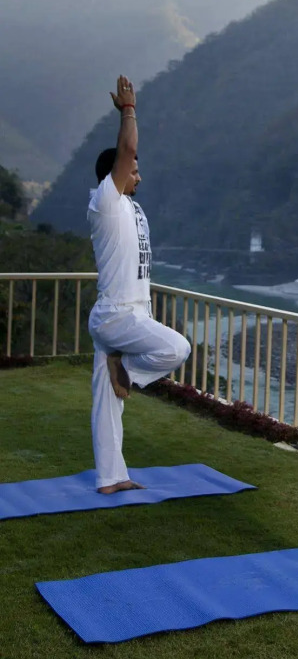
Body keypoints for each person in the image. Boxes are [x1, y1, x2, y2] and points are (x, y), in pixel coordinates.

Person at [87, 75, 191, 493]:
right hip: (117, 315)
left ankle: (111, 477)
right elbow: (127, 149)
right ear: (114, 174)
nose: (139, 175)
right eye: (133, 170)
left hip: (127, 314)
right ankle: (125, 369)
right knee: (177, 347)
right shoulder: (106, 202)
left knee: (106, 402)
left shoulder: (130, 206)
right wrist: (129, 111)